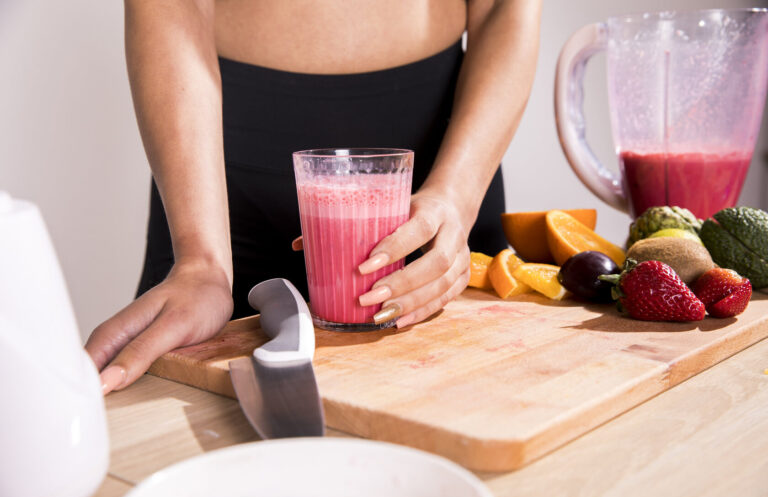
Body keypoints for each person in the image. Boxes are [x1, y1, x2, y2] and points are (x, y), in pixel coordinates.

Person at [87, 0, 542, 395]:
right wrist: (201, 261)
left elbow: (505, 6)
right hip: (211, 196)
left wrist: (456, 196)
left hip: (442, 189)